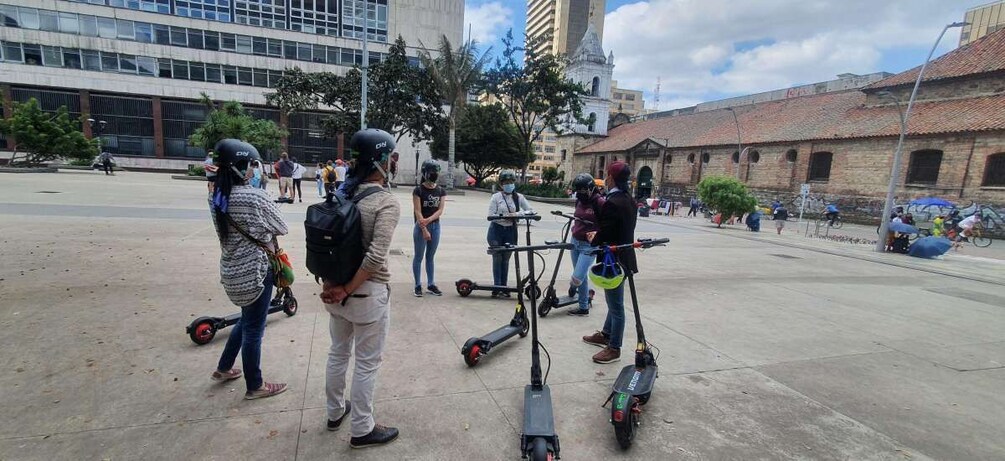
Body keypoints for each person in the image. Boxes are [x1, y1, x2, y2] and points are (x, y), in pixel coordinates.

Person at [322, 128, 401, 448]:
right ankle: (362, 429)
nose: (394, 163)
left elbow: (324, 245)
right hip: (366, 295)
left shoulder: (342, 193)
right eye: (392, 157)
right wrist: (347, 289)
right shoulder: (385, 202)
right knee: (367, 363)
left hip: (335, 291)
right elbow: (375, 257)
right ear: (381, 161)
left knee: (338, 353)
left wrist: (334, 286)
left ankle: (334, 412)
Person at [208, 139, 289, 400]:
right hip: (255, 272)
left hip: (232, 271)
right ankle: (256, 385)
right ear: (240, 167)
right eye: (250, 166)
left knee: (247, 319)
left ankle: (223, 368)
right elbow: (281, 226)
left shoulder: (216, 197)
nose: (253, 171)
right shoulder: (254, 195)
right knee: (254, 328)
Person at [581, 161, 637, 364]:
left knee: (616, 306)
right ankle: (606, 334)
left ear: (611, 178)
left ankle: (614, 347)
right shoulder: (629, 199)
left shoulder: (612, 202)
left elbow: (606, 232)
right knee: (613, 300)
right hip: (625, 256)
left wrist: (591, 237)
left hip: (613, 260)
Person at [486, 170, 534, 298]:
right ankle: (497, 286)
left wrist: (516, 215)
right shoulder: (496, 197)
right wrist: (504, 216)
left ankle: (504, 286)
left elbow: (530, 211)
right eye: (506, 182)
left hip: (511, 231)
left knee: (506, 259)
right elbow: (491, 215)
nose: (509, 185)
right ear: (501, 184)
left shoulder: (519, 197)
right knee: (497, 258)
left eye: (511, 182)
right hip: (496, 230)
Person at [567, 173, 604, 316]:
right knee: (580, 277)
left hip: (589, 246)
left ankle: (572, 287)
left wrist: (598, 235)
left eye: (582, 190)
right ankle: (583, 307)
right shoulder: (579, 201)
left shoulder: (599, 202)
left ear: (590, 188)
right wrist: (575, 229)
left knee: (577, 277)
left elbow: (607, 223)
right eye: (577, 191)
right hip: (575, 242)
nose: (579, 194)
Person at [412, 160, 446, 297]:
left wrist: (429, 220)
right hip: (421, 227)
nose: (435, 175)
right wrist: (424, 228)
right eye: (432, 172)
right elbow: (417, 211)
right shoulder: (418, 190)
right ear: (425, 173)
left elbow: (440, 210)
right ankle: (417, 285)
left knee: (430, 257)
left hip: (435, 225)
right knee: (419, 256)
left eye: (436, 172)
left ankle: (431, 284)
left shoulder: (441, 190)